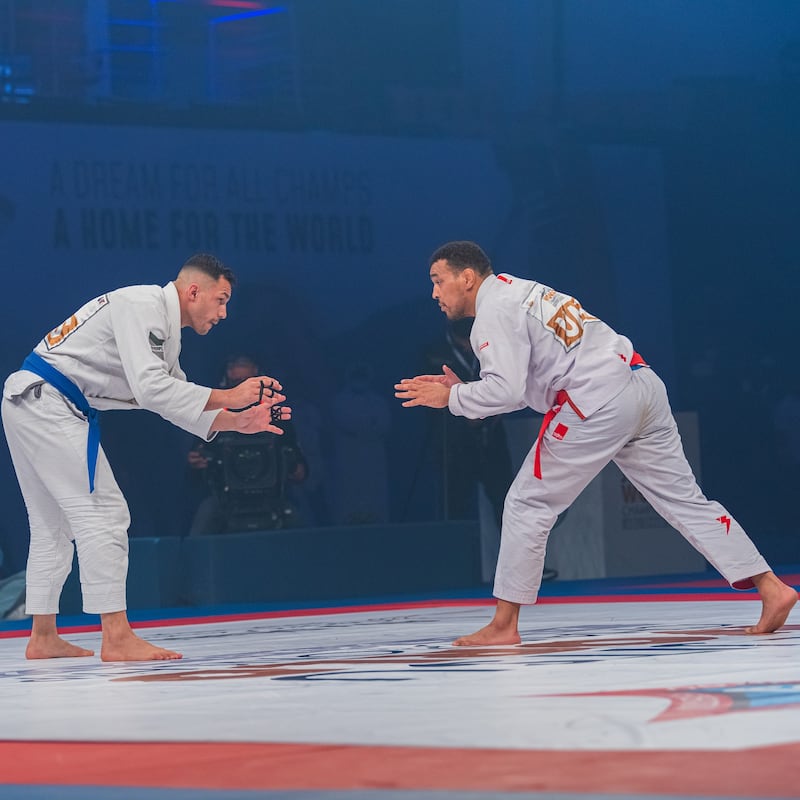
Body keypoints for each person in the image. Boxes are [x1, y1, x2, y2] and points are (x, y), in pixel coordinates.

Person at [395, 240, 797, 645]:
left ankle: (503, 626)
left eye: (437, 280)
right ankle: (771, 588)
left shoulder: (494, 312)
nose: (433, 293)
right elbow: (522, 382)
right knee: (685, 502)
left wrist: (453, 398)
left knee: (526, 502)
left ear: (467, 278)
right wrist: (466, 389)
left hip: (595, 402)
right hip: (641, 383)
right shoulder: (523, 290)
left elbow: (507, 392)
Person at [1, 253, 291, 661]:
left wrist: (238, 423)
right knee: (104, 513)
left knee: (52, 524)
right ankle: (116, 636)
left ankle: (43, 636)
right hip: (47, 401)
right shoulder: (144, 307)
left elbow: (173, 401)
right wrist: (230, 395)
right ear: (194, 291)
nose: (224, 313)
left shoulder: (164, 330)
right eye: (221, 300)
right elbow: (153, 389)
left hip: (30, 399)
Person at [187, 354, 308, 535]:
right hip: (226, 500)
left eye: (246, 380)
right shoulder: (213, 416)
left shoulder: (276, 416)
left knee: (298, 522)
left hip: (271, 498)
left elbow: (300, 471)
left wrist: (291, 463)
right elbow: (194, 469)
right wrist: (195, 463)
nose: (241, 387)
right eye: (236, 381)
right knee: (205, 517)